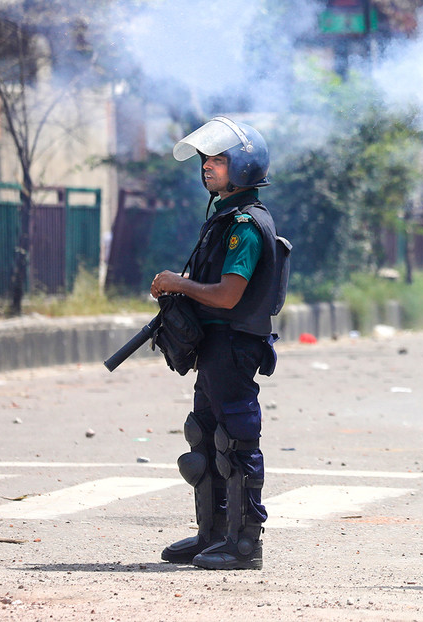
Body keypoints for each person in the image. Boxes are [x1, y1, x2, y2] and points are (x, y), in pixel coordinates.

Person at [151, 116, 289, 569]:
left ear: (244, 166)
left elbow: (229, 295)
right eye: (206, 159)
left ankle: (245, 543)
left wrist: (179, 283)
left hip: (232, 344)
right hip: (214, 345)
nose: (208, 167)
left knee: (236, 442)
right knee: (205, 439)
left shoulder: (245, 225)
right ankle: (212, 534)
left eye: (219, 159)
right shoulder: (226, 217)